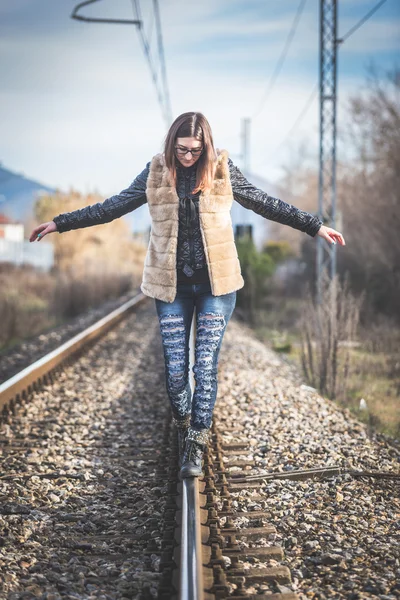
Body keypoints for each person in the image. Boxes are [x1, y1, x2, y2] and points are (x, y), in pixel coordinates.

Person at [29, 111, 345, 479]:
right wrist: (60, 222)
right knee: (177, 373)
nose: (187, 156)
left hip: (216, 286)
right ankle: (184, 421)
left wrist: (314, 226)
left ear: (205, 145)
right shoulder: (156, 171)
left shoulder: (223, 171)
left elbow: (263, 202)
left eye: (195, 150)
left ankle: (195, 440)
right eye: (181, 149)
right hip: (171, 287)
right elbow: (112, 207)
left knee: (205, 365)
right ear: (171, 144)